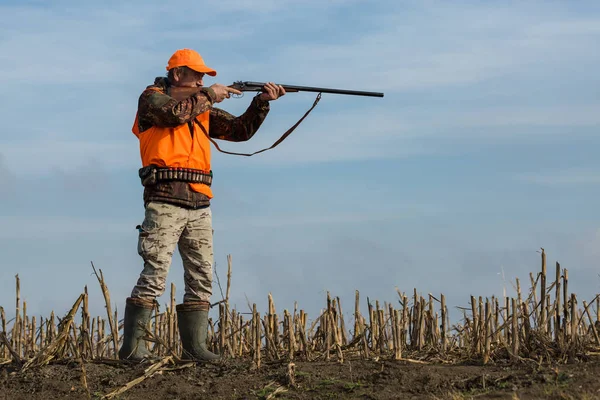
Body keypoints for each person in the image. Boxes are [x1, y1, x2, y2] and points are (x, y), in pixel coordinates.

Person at [118, 48, 285, 362]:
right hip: (165, 199)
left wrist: (261, 103)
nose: (201, 80)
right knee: (155, 274)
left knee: (202, 276)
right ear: (178, 74)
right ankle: (132, 350)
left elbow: (240, 131)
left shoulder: (200, 107)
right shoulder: (152, 99)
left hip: (199, 203)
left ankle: (195, 349)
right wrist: (209, 94)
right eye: (196, 75)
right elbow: (173, 114)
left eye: (204, 77)